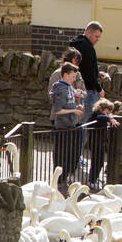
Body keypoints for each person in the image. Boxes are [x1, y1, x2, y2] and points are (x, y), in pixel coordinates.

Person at [50, 62, 83, 196]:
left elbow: (70, 103)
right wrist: (74, 110)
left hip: (71, 125)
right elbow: (58, 110)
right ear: (65, 74)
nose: (74, 79)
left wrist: (77, 107)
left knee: (71, 154)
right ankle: (59, 181)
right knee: (61, 155)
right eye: (72, 76)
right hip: (62, 126)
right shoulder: (61, 89)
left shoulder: (69, 87)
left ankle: (64, 179)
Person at [69, 22, 104, 112]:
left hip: (74, 87)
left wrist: (98, 73)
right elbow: (88, 73)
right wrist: (99, 89)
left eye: (99, 37)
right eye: (96, 36)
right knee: (88, 118)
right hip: (88, 89)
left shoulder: (74, 44)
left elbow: (83, 67)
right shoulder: (88, 47)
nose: (98, 39)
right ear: (88, 32)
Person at [85, 99, 117, 191]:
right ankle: (91, 180)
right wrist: (109, 118)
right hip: (96, 143)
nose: (108, 113)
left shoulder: (102, 114)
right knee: (96, 162)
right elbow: (100, 117)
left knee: (100, 162)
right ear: (102, 108)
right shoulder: (95, 114)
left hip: (101, 142)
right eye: (107, 111)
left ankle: (94, 179)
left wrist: (109, 116)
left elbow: (104, 116)